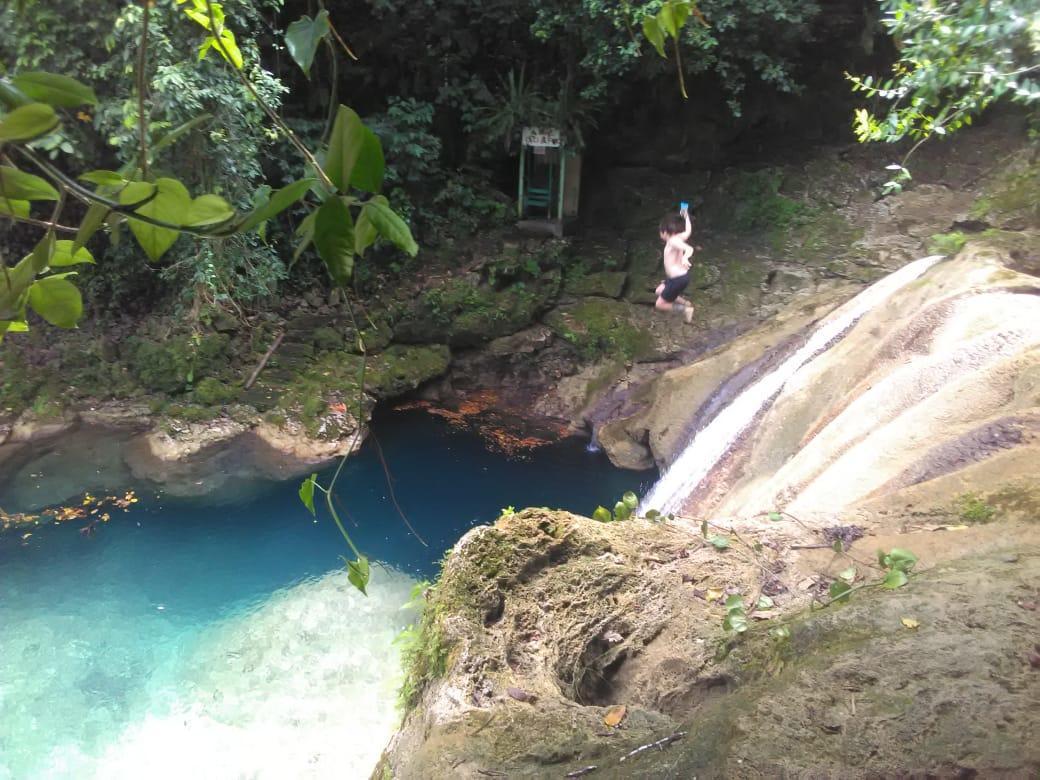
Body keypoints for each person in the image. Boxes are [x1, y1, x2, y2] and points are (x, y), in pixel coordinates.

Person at [655, 206, 696, 323]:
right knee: (659, 290)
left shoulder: (673, 241)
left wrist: (685, 257)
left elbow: (689, 249)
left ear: (664, 232)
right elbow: (688, 231)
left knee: (660, 304)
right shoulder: (678, 237)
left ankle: (685, 310)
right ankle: (685, 303)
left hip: (678, 279)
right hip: (677, 278)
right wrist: (686, 216)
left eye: (660, 231)